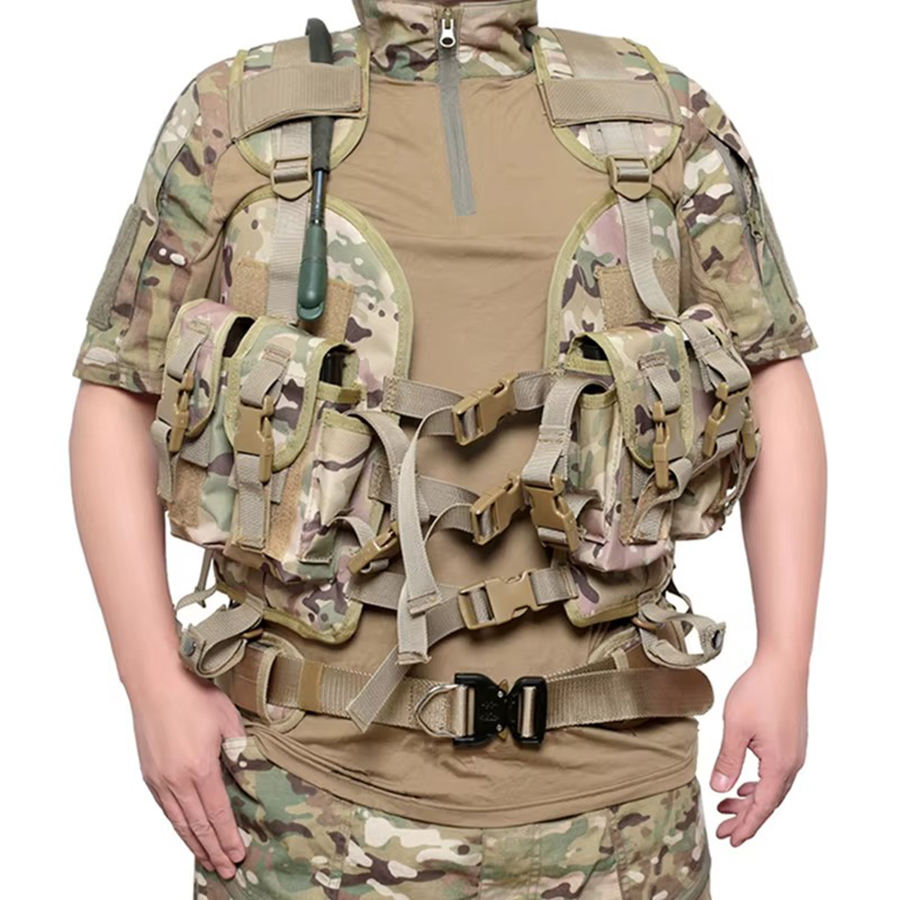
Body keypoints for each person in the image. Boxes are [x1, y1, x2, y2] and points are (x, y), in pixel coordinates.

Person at [69, 0, 826, 897]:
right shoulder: (236, 116)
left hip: (620, 810)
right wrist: (151, 682)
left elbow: (769, 374)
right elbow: (119, 391)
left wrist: (786, 658)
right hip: (303, 802)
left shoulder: (661, 117)